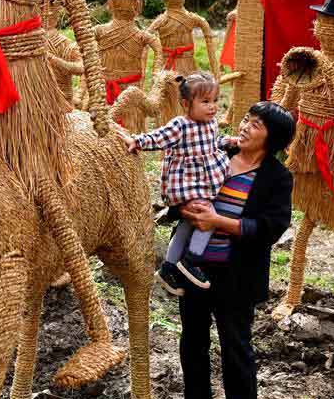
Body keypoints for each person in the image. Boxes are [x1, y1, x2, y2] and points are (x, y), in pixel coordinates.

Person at [174, 101, 295, 399]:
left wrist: (219, 222)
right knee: (192, 343)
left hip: (237, 277)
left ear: (273, 138)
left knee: (236, 347)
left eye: (256, 125)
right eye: (245, 119)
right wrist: (185, 207)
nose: (244, 127)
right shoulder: (216, 154)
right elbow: (181, 182)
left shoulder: (276, 177)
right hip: (193, 269)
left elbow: (270, 227)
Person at [119, 72, 236, 294]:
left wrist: (226, 141)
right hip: (187, 183)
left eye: (215, 101)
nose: (212, 107)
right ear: (185, 104)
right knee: (206, 217)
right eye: (205, 102)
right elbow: (158, 137)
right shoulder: (180, 125)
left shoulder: (210, 123)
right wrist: (137, 140)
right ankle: (191, 260)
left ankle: (168, 267)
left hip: (204, 181)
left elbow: (210, 145)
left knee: (186, 224)